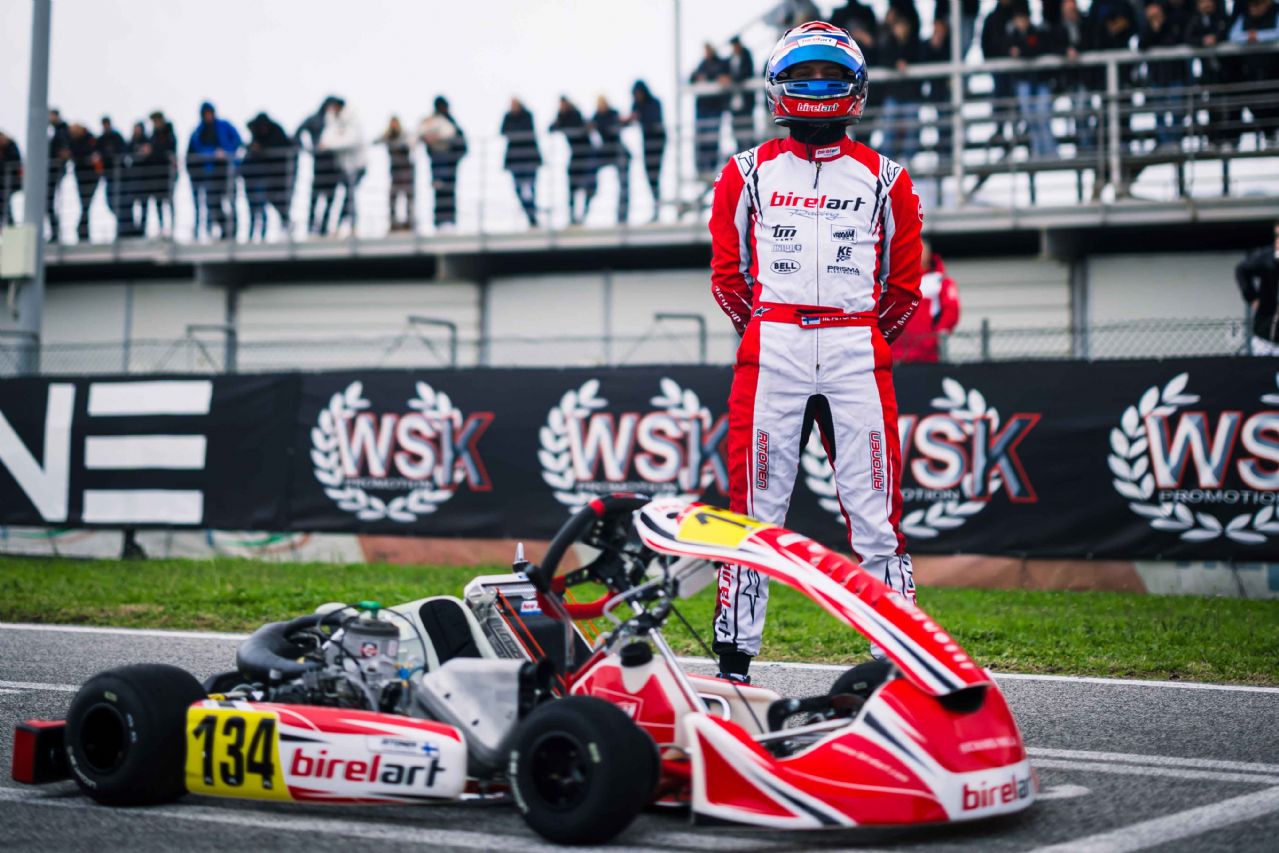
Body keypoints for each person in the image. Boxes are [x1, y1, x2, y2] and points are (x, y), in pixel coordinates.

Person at [709, 21, 922, 682]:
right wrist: (768, 333)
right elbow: (727, 277)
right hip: (772, 347)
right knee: (753, 514)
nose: (817, 87)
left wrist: (857, 337)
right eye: (803, 75)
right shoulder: (744, 173)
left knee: (876, 518)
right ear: (778, 86)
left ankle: (901, 659)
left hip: (856, 347)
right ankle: (734, 664)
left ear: (855, 87)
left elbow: (904, 287)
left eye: (829, 75)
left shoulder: (887, 178)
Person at [891, 240, 960, 362]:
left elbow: (951, 311)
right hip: (895, 356)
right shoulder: (895, 280)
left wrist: (934, 339)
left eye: (918, 250)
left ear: (928, 254)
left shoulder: (939, 281)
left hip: (926, 356)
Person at [1007, 2, 1057, 159]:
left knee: (1042, 115)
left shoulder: (1037, 32)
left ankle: (1050, 153)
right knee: (1030, 117)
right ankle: (1038, 152)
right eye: (1018, 19)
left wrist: (1022, 51)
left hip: (1040, 81)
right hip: (1023, 81)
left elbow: (1037, 49)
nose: (1021, 22)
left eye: (1023, 18)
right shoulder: (1011, 35)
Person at [186, 101, 242, 241]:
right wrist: (213, 153)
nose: (208, 116)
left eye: (210, 113)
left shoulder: (224, 125)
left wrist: (226, 152)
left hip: (228, 169)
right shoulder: (198, 132)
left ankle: (233, 231)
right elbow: (197, 150)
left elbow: (238, 140)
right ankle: (224, 229)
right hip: (211, 171)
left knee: (231, 200)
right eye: (205, 114)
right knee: (212, 202)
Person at [877, 9, 925, 163]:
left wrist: (905, 63)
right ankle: (887, 160)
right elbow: (883, 59)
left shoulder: (915, 44)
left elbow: (921, 59)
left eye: (903, 26)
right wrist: (896, 64)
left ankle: (908, 159)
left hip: (911, 95)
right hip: (894, 94)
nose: (900, 30)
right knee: (888, 127)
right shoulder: (888, 43)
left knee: (912, 127)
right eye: (898, 26)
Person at [1139, 1, 1189, 150]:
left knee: (1177, 109)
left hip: (1176, 74)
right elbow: (1141, 45)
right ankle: (1165, 142)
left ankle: (1175, 141)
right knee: (1159, 112)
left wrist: (1161, 27)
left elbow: (1178, 39)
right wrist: (1153, 29)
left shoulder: (1174, 21)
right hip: (1157, 76)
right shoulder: (1147, 27)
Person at [243, 112, 294, 241]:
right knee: (259, 205)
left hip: (278, 175)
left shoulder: (277, 133)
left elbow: (282, 147)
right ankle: (256, 235)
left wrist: (262, 149)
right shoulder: (256, 136)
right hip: (260, 177)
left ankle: (284, 225)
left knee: (275, 201)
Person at [319, 98, 366, 236]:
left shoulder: (353, 119)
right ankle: (345, 225)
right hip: (342, 167)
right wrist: (338, 138)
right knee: (347, 197)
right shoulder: (332, 121)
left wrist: (334, 142)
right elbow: (325, 139)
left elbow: (351, 141)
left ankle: (350, 225)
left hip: (357, 166)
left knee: (350, 196)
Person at [419, 96, 467, 229]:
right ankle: (441, 222)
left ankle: (448, 221)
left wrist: (452, 156)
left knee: (446, 191)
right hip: (438, 163)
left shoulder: (449, 123)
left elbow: (462, 145)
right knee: (440, 190)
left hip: (449, 163)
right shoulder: (433, 122)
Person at [550, 96, 597, 225]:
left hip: (586, 153)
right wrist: (558, 123)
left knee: (589, 187)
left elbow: (583, 128)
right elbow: (551, 128)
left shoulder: (576, 114)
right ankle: (572, 216)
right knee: (572, 186)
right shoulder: (561, 117)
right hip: (575, 154)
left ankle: (583, 214)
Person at [624, 81, 666, 221]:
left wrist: (638, 117)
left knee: (655, 174)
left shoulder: (654, 103)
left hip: (657, 141)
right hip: (647, 143)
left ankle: (658, 207)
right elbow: (631, 120)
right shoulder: (636, 105)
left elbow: (654, 121)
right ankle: (656, 205)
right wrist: (625, 120)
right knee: (649, 175)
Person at [1237, 223, 1279, 356]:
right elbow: (1242, 270)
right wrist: (1252, 297)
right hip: (1265, 335)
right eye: (1277, 235)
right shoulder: (1267, 258)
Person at [500, 98, 542, 227]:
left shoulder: (527, 115)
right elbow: (503, 131)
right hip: (514, 160)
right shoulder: (508, 116)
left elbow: (525, 131)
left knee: (531, 189)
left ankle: (532, 214)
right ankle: (531, 215)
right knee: (518, 189)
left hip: (529, 159)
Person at [691, 43, 730, 177]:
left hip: (714, 108)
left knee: (712, 139)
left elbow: (722, 77)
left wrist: (708, 78)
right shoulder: (703, 64)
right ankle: (702, 167)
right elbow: (692, 77)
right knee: (702, 140)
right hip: (703, 109)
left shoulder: (720, 64)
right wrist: (698, 78)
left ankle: (711, 165)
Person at [591, 96, 630, 224]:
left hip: (618, 151)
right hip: (606, 152)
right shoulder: (596, 116)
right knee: (590, 168)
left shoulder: (613, 113)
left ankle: (622, 217)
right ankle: (591, 190)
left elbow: (622, 124)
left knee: (624, 185)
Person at [139, 111, 177, 236]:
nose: (155, 123)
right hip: (155, 174)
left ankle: (172, 228)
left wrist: (152, 150)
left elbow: (168, 150)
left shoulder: (169, 134)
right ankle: (161, 227)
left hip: (167, 174)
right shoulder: (153, 136)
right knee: (158, 202)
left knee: (169, 200)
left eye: (157, 120)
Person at [377, 116, 415, 232]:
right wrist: (387, 136)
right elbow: (376, 141)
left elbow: (410, 144)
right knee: (393, 197)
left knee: (408, 197)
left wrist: (394, 141)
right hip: (395, 172)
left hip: (406, 171)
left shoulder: (405, 135)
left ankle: (409, 223)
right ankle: (393, 223)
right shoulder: (388, 136)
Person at [67, 123, 100, 242]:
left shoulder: (90, 139)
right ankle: (83, 230)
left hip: (92, 176)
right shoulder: (74, 141)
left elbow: (92, 154)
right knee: (85, 204)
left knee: (86, 204)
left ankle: (82, 229)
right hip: (81, 176)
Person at [97, 117, 127, 236]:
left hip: (119, 175)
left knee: (121, 202)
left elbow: (123, 151)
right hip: (108, 176)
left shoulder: (117, 137)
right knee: (110, 202)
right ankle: (121, 224)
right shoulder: (101, 139)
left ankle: (124, 227)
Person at [727, 36, 757, 153]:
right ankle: (740, 150)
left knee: (747, 128)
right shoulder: (731, 59)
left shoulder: (746, 56)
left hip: (746, 102)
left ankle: (749, 151)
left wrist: (731, 79)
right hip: (734, 102)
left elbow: (745, 73)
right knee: (736, 129)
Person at [0, 131, 20, 228]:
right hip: (3, 182)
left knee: (5, 204)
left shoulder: (11, 146)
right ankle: (8, 226)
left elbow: (15, 161)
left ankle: (10, 226)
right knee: (4, 204)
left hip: (10, 182)